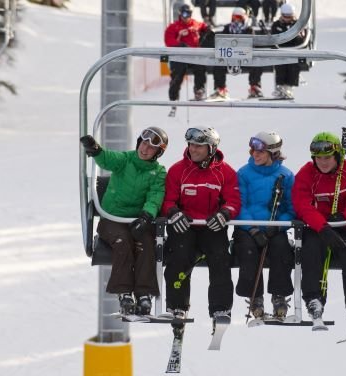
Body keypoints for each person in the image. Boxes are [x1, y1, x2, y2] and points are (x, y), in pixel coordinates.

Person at [291, 132, 346, 337]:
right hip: (317, 228)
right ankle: (314, 300)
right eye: (318, 158)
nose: (322, 162)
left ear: (337, 155)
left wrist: (345, 215)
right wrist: (322, 227)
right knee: (311, 250)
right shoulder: (307, 173)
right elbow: (301, 205)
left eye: (327, 158)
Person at [79, 127, 169, 316]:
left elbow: (155, 195)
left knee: (146, 245)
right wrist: (95, 150)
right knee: (123, 243)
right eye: (143, 143)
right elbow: (108, 158)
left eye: (151, 148)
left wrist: (146, 216)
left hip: (137, 221)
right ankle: (124, 292)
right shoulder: (125, 160)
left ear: (157, 153)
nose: (145, 149)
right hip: (112, 219)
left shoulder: (158, 172)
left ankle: (144, 294)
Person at [161, 126, 241, 326]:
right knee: (178, 256)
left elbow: (233, 200)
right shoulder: (177, 170)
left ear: (211, 148)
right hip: (184, 224)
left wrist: (225, 213)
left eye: (199, 146)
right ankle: (177, 306)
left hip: (211, 225)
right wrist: (173, 212)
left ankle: (220, 308)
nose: (193, 150)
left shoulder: (225, 172)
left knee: (220, 258)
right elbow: (168, 200)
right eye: (191, 145)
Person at [234, 131, 295, 319]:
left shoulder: (286, 176)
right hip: (247, 228)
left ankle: (279, 295)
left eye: (260, 151)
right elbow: (239, 205)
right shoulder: (244, 173)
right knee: (248, 250)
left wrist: (278, 226)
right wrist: (252, 228)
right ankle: (255, 297)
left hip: (273, 226)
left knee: (281, 247)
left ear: (273, 153)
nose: (255, 155)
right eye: (253, 150)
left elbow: (291, 209)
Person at [207, 7, 264, 100]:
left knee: (257, 62)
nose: (236, 20)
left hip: (244, 57)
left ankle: (255, 87)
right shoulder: (227, 28)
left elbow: (252, 45)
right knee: (218, 63)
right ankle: (221, 89)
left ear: (244, 18)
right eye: (234, 18)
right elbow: (221, 42)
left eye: (239, 18)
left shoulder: (248, 30)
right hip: (229, 56)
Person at [164, 4, 210, 102]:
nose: (187, 17)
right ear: (180, 14)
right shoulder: (174, 27)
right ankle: (174, 95)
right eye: (184, 14)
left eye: (189, 14)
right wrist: (181, 44)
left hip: (194, 55)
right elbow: (168, 41)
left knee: (200, 66)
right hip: (181, 57)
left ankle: (199, 89)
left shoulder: (195, 24)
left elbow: (204, 27)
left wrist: (206, 31)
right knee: (178, 72)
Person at [270, 3, 309, 99]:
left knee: (293, 66)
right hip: (281, 52)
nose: (287, 19)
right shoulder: (276, 25)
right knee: (280, 66)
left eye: (289, 17)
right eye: (285, 16)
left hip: (294, 51)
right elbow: (275, 38)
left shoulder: (298, 25)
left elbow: (300, 39)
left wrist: (293, 36)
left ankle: (289, 88)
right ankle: (280, 87)